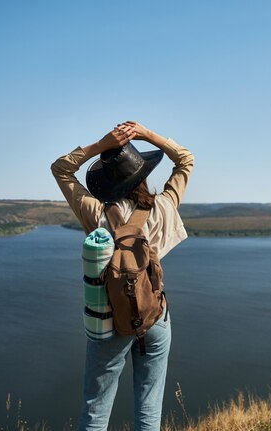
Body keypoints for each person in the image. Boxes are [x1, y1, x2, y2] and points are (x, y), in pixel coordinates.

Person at [51, 121, 194, 431]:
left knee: (95, 411)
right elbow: (186, 160)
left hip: (109, 321)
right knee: (149, 411)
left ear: (105, 183)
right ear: (142, 175)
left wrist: (100, 145)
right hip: (154, 318)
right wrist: (148, 135)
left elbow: (60, 169)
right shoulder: (164, 207)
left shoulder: (97, 214)